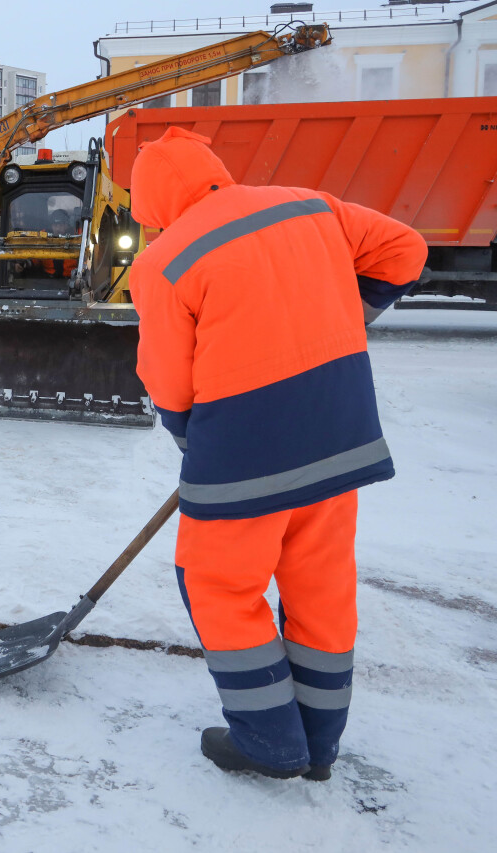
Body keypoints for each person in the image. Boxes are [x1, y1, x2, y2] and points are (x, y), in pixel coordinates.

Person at [127, 128, 426, 781]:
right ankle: (320, 744)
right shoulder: (309, 205)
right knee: (319, 586)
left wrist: (192, 439)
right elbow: (406, 249)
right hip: (337, 437)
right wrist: (346, 313)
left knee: (218, 583)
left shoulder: (164, 261)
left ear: (151, 202)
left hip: (244, 452)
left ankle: (270, 741)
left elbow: (169, 383)